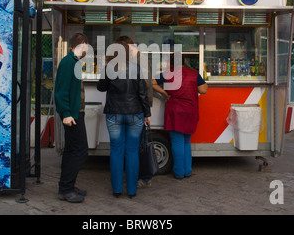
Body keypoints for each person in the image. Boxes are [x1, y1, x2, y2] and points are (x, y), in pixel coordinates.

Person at [97, 41, 151, 198]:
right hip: (135, 113)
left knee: (116, 151)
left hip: (114, 113)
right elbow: (143, 93)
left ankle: (117, 190)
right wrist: (147, 114)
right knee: (133, 151)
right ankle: (132, 191)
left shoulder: (109, 68)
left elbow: (101, 87)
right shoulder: (137, 69)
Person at [153, 56, 208, 179]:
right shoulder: (194, 73)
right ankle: (187, 171)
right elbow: (203, 90)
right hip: (190, 110)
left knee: (177, 141)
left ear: (170, 63)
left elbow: (152, 82)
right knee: (186, 141)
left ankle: (178, 172)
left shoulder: (168, 73)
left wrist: (164, 93)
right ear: (184, 62)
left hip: (174, 110)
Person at [54, 33, 89, 203]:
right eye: (86, 45)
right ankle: (67, 188)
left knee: (70, 151)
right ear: (81, 44)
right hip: (72, 115)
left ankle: (66, 186)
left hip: (75, 113)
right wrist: (66, 113)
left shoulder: (73, 62)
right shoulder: (68, 63)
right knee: (80, 150)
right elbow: (60, 92)